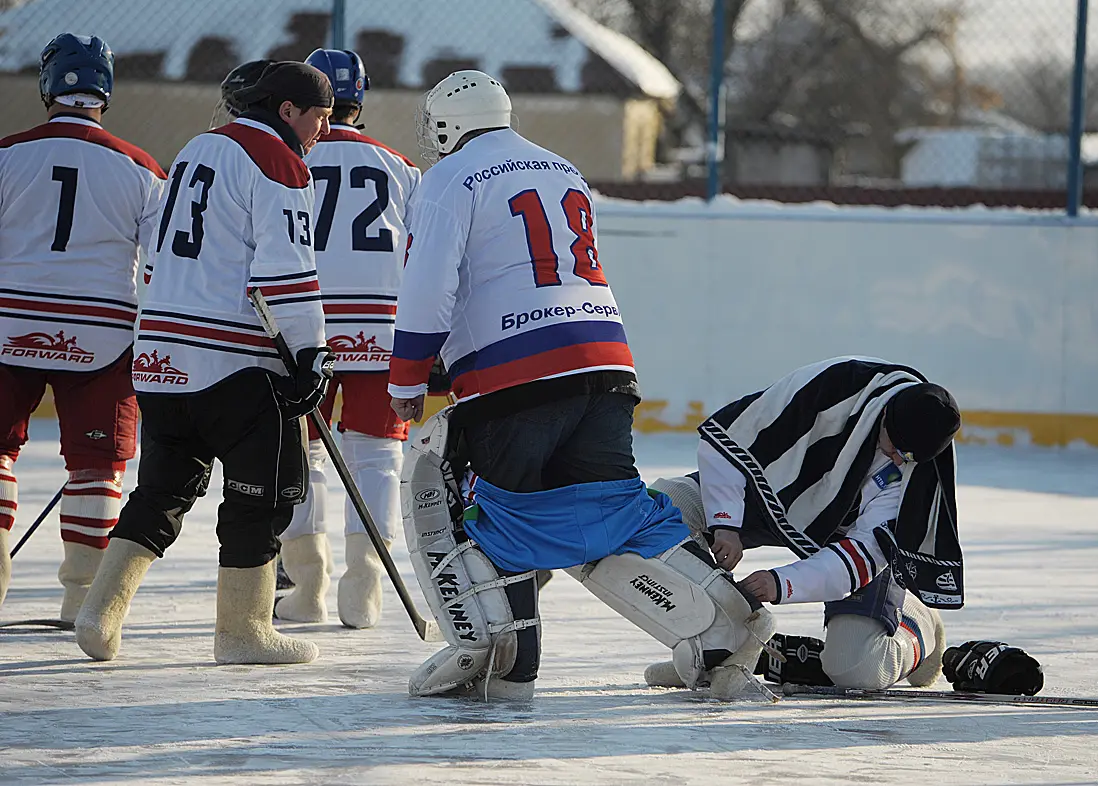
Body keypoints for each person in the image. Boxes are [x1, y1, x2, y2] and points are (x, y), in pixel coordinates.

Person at [390, 70, 773, 701]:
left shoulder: (448, 179)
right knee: (618, 511)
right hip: (605, 364)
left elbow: (428, 288)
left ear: (444, 125)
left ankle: (506, 672)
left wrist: (407, 378)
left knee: (486, 521)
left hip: (514, 376)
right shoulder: (562, 169)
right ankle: (728, 628)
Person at [73, 62, 336, 665]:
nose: (322, 129)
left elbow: (155, 255)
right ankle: (243, 631)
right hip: (232, 361)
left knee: (161, 491)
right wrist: (310, 351)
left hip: (160, 356)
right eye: (318, 116)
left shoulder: (196, 147)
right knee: (264, 494)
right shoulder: (279, 161)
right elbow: (286, 270)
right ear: (288, 110)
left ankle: (99, 615)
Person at [645, 356, 963, 691]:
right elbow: (729, 440)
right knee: (665, 506)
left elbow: (862, 552)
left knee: (856, 669)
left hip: (846, 539)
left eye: (910, 458)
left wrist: (780, 583)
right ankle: (713, 649)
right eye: (897, 449)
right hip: (773, 495)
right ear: (885, 416)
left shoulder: (915, 470)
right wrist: (725, 521)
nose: (900, 461)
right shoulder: (828, 387)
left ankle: (914, 621)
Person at [0, 33, 166, 621]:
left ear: (48, 85)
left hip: (8, 325)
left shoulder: (6, 153)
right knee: (98, 469)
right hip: (104, 335)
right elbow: (160, 267)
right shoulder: (142, 167)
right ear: (106, 90)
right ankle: (81, 605)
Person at [272, 48, 419, 629]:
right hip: (381, 328)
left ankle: (307, 587)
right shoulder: (400, 165)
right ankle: (365, 588)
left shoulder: (283, 159)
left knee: (300, 455)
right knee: (378, 457)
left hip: (302, 332)